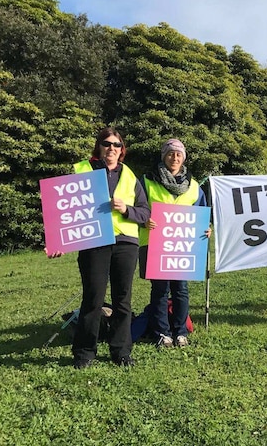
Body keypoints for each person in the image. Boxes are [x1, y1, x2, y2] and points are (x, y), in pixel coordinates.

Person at [50, 127, 150, 369]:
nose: (111, 149)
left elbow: (145, 212)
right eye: (107, 144)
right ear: (99, 147)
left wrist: (126, 209)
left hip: (125, 242)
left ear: (122, 150)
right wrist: (58, 241)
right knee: (93, 298)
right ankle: (84, 353)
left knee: (122, 300)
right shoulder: (81, 171)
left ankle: (121, 351)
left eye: (116, 145)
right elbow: (65, 209)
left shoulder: (130, 176)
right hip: (94, 241)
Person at [139, 139, 211, 349]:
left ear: (184, 158)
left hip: (183, 247)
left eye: (179, 154)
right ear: (164, 156)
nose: (175, 158)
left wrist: (206, 228)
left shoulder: (194, 186)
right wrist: (144, 219)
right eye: (171, 154)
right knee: (160, 290)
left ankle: (180, 332)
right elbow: (137, 208)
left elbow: (201, 214)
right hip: (155, 244)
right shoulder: (147, 181)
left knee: (181, 289)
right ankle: (162, 333)